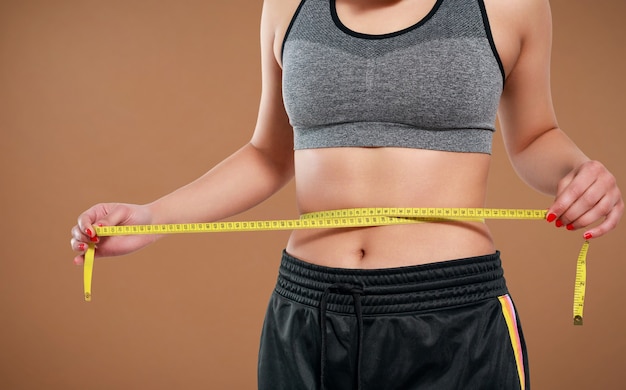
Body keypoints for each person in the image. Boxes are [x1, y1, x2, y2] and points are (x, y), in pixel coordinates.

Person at [71, 0, 623, 389]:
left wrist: (578, 173)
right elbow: (268, 154)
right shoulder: (287, 7)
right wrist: (151, 217)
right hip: (308, 312)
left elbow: (534, 137)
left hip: (450, 315)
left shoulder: (508, 5)